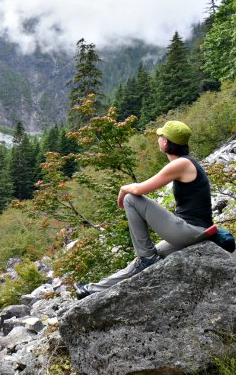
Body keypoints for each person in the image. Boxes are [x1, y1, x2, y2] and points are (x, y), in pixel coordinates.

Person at [74, 120, 213, 299]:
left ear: (165, 142)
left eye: (161, 136)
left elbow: (139, 190)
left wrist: (124, 189)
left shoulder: (182, 164)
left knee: (132, 199)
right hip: (193, 232)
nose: (159, 139)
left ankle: (146, 258)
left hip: (191, 230)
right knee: (145, 259)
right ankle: (92, 290)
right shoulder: (186, 163)